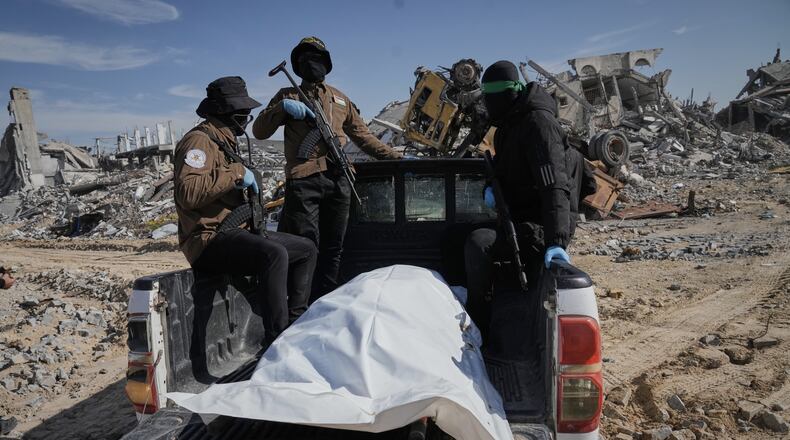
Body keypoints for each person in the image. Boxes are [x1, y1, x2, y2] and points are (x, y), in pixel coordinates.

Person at [253, 36, 402, 299]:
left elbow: (363, 137)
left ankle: (327, 300)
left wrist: (396, 158)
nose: (312, 63)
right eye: (305, 59)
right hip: (304, 182)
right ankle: (301, 305)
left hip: (339, 179)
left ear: (326, 63)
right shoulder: (287, 96)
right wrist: (281, 110)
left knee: (334, 247)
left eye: (317, 58)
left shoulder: (340, 99)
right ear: (297, 65)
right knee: (306, 247)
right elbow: (259, 131)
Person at [174, 76, 317, 345]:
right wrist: (237, 173)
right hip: (208, 239)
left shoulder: (223, 141)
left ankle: (296, 322)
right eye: (243, 115)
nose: (246, 121)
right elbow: (188, 193)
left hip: (234, 231)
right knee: (273, 254)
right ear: (225, 113)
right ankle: (279, 339)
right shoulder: (199, 142)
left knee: (306, 249)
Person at [464, 60, 594, 337]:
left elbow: (555, 186)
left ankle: (480, 326)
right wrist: (490, 187)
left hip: (541, 224)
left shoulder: (538, 124)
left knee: (478, 245)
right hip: (519, 215)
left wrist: (556, 241)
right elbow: (505, 167)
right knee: (456, 236)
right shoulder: (509, 126)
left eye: (490, 98)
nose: (487, 105)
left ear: (505, 95)